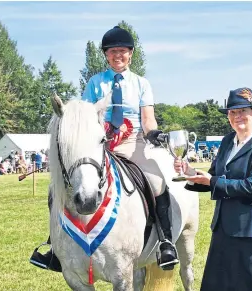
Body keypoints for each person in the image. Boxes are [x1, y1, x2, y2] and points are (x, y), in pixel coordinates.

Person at [30, 25, 178, 272]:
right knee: (56, 190)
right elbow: (84, 118)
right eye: (112, 52)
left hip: (132, 141)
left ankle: (164, 242)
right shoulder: (95, 82)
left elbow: (148, 119)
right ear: (106, 55)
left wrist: (154, 133)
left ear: (130, 54)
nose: (117, 55)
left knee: (157, 181)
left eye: (122, 51)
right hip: (100, 143)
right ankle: (55, 247)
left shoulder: (141, 84)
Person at [174, 87, 252, 291]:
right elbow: (214, 174)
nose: (237, 116)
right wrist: (189, 171)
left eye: (243, 111)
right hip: (224, 227)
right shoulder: (227, 141)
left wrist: (212, 181)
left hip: (251, 230)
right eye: (232, 112)